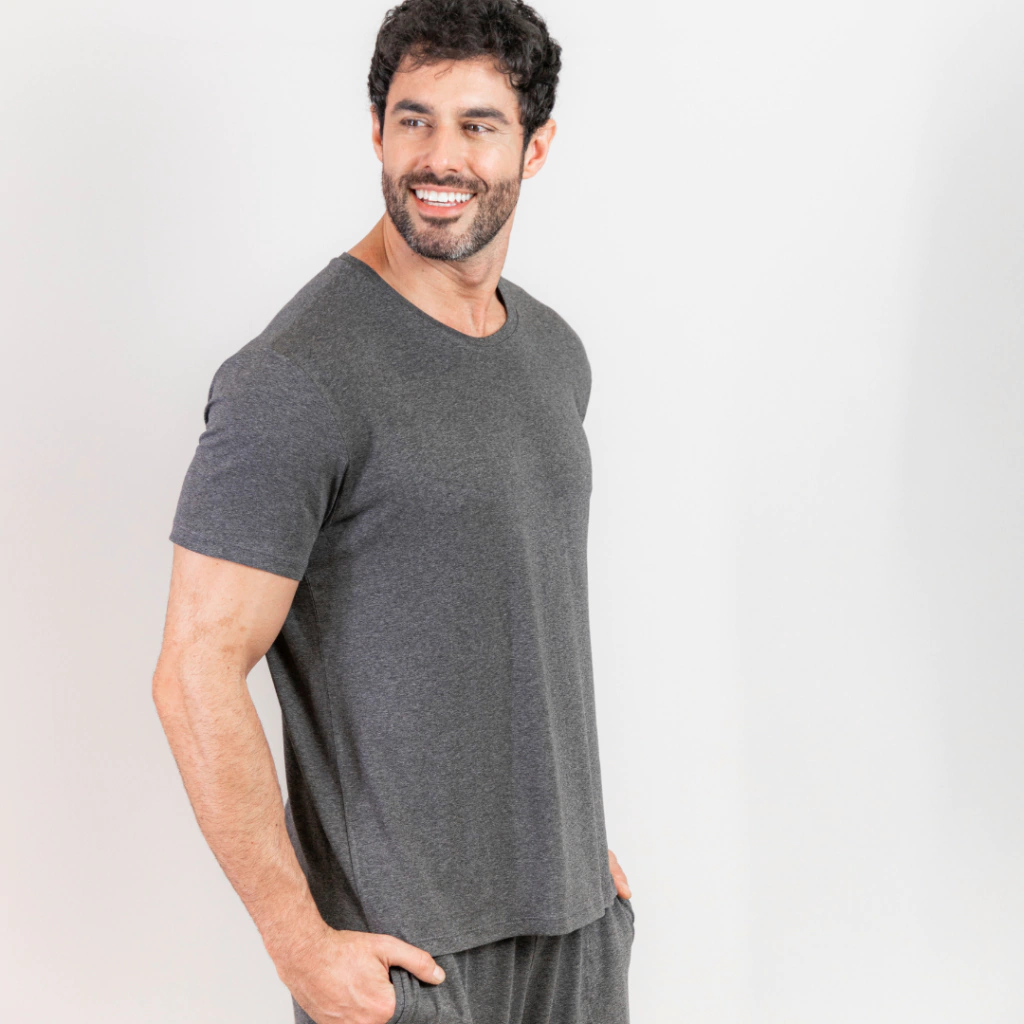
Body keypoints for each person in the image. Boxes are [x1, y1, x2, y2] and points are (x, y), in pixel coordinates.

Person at [151, 1, 635, 1021]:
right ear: (376, 131)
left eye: (477, 124)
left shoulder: (554, 355)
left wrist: (572, 857)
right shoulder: (294, 380)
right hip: (408, 961)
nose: (439, 156)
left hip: (574, 932)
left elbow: (512, 616)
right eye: (413, 119)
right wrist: (298, 944)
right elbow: (195, 668)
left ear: (536, 146)